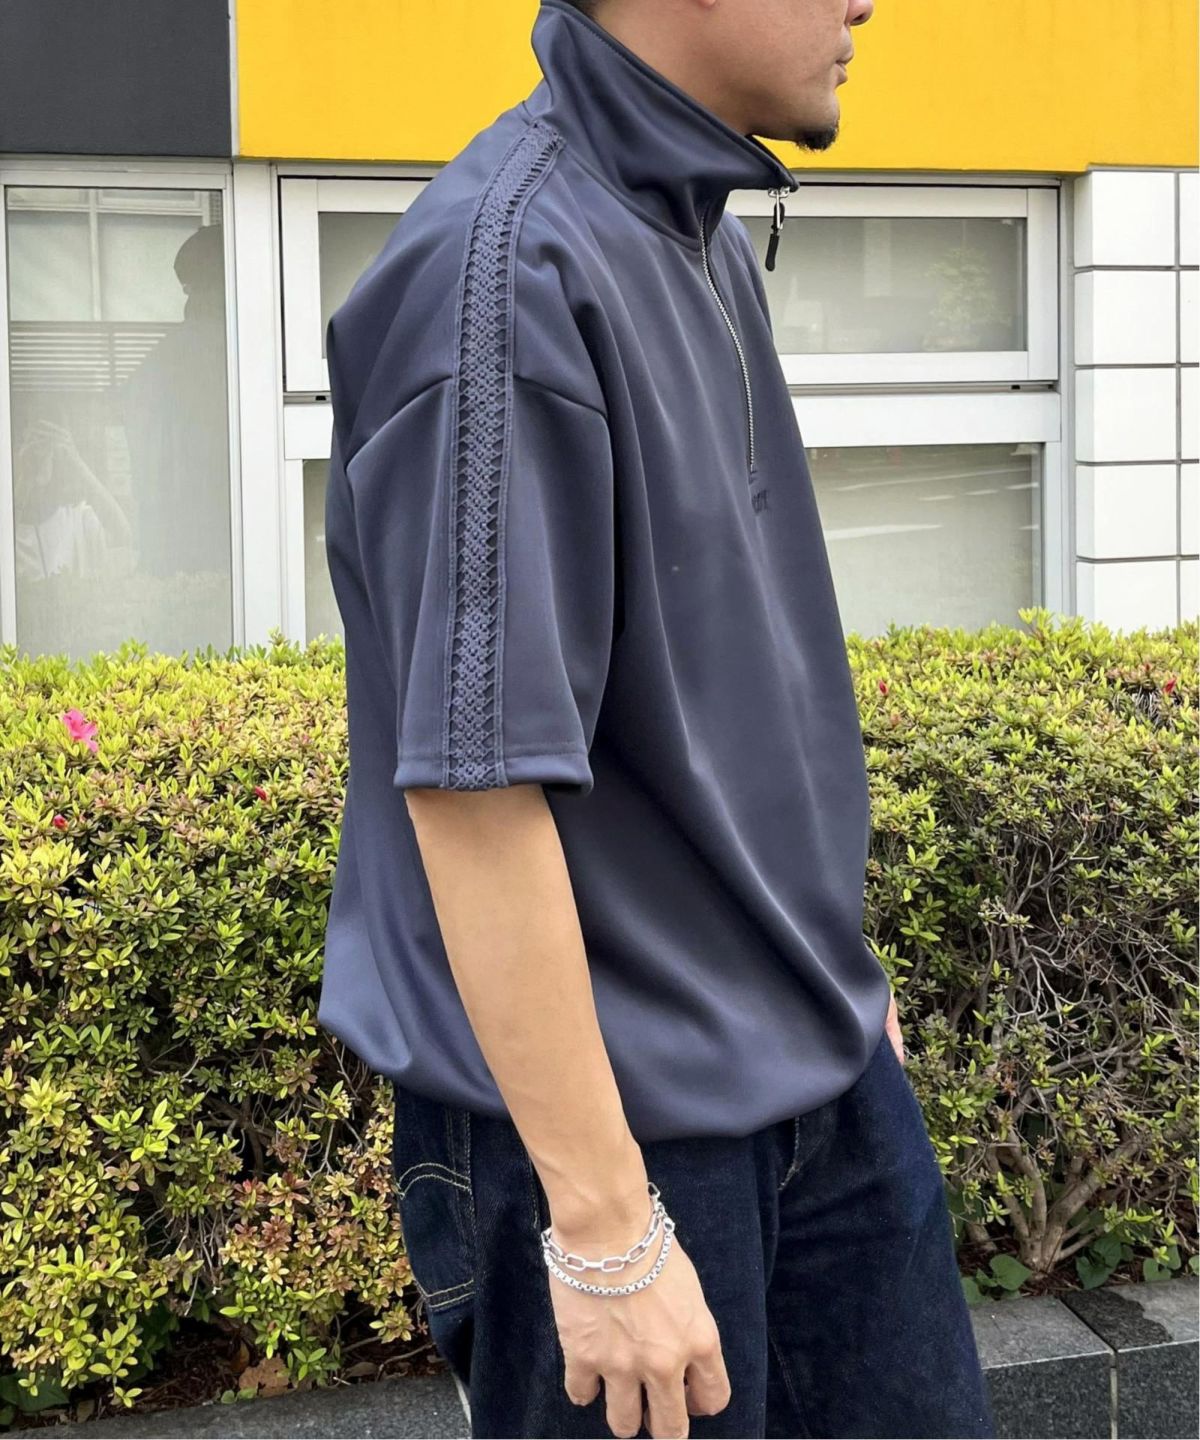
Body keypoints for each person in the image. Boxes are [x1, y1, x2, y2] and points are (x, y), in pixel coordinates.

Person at [317, 1, 998, 1436]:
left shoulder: (697, 235)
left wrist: (832, 992)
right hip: (616, 1143)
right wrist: (605, 1229)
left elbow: (722, 692)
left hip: (815, 1072)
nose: (866, 2)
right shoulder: (504, 276)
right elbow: (475, 790)